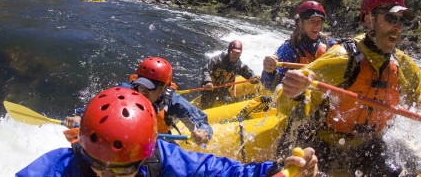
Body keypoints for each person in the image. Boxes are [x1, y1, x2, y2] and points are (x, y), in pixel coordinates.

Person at [279, 0, 421, 175]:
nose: (397, 26)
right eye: (391, 18)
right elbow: (285, 103)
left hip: (368, 146)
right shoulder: (343, 58)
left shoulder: (403, 66)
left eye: (401, 20)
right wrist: (295, 91)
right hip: (326, 144)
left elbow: (418, 97)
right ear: (369, 19)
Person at [17, 87, 320, 177]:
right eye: (99, 167)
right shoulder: (57, 169)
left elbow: (218, 172)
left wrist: (275, 170)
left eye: (122, 173)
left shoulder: (159, 155)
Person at [65, 57, 212, 146]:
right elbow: (95, 107)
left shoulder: (174, 101)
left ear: (163, 88)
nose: (142, 91)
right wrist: (80, 116)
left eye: (150, 88)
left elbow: (200, 120)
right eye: (140, 85)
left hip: (159, 140)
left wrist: (203, 132)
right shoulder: (123, 90)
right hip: (124, 134)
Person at [261, 1, 335, 91]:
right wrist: (269, 71)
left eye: (319, 21)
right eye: (312, 21)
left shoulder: (329, 44)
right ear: (301, 23)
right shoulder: (290, 49)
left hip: (322, 94)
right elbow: (269, 86)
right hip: (298, 97)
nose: (317, 24)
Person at [201, 40, 260, 109]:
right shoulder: (217, 60)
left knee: (228, 102)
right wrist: (208, 82)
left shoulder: (239, 65)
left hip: (223, 89)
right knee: (206, 105)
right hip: (210, 88)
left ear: (240, 54)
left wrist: (254, 78)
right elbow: (206, 70)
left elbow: (249, 73)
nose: (234, 55)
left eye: (237, 53)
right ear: (229, 51)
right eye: (233, 52)